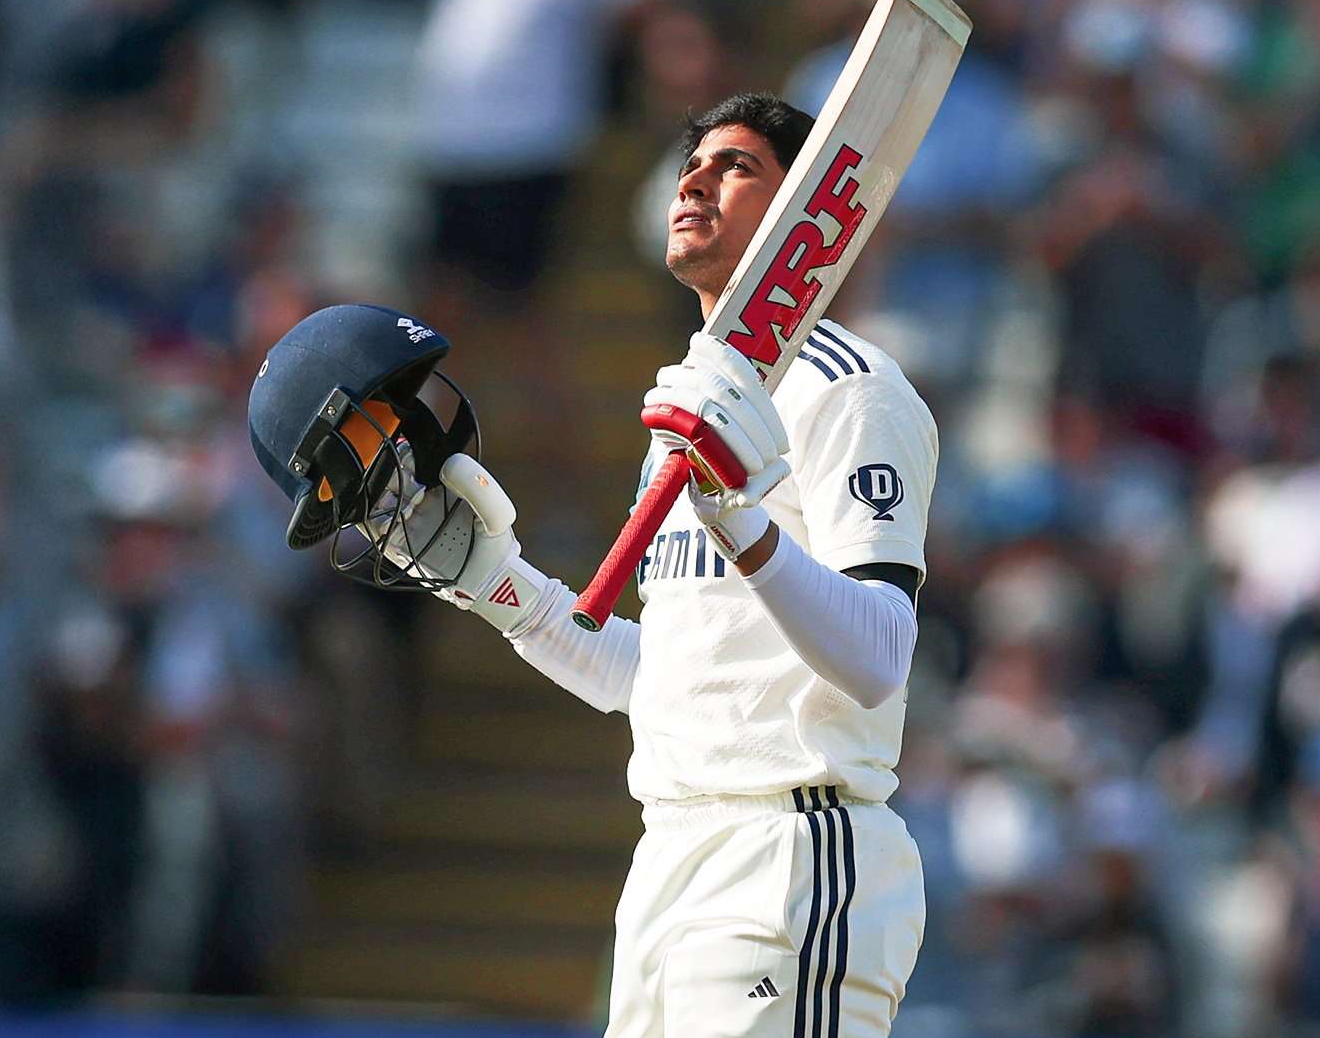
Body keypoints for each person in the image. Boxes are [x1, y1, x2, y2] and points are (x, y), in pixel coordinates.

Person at [246, 92, 937, 1036]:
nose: (695, 181)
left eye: (736, 166)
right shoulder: (689, 402)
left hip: (793, 845)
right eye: (690, 165)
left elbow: (881, 658)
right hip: (670, 858)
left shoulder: (849, 388)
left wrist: (737, 519)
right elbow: (662, 682)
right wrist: (501, 590)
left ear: (805, 208)